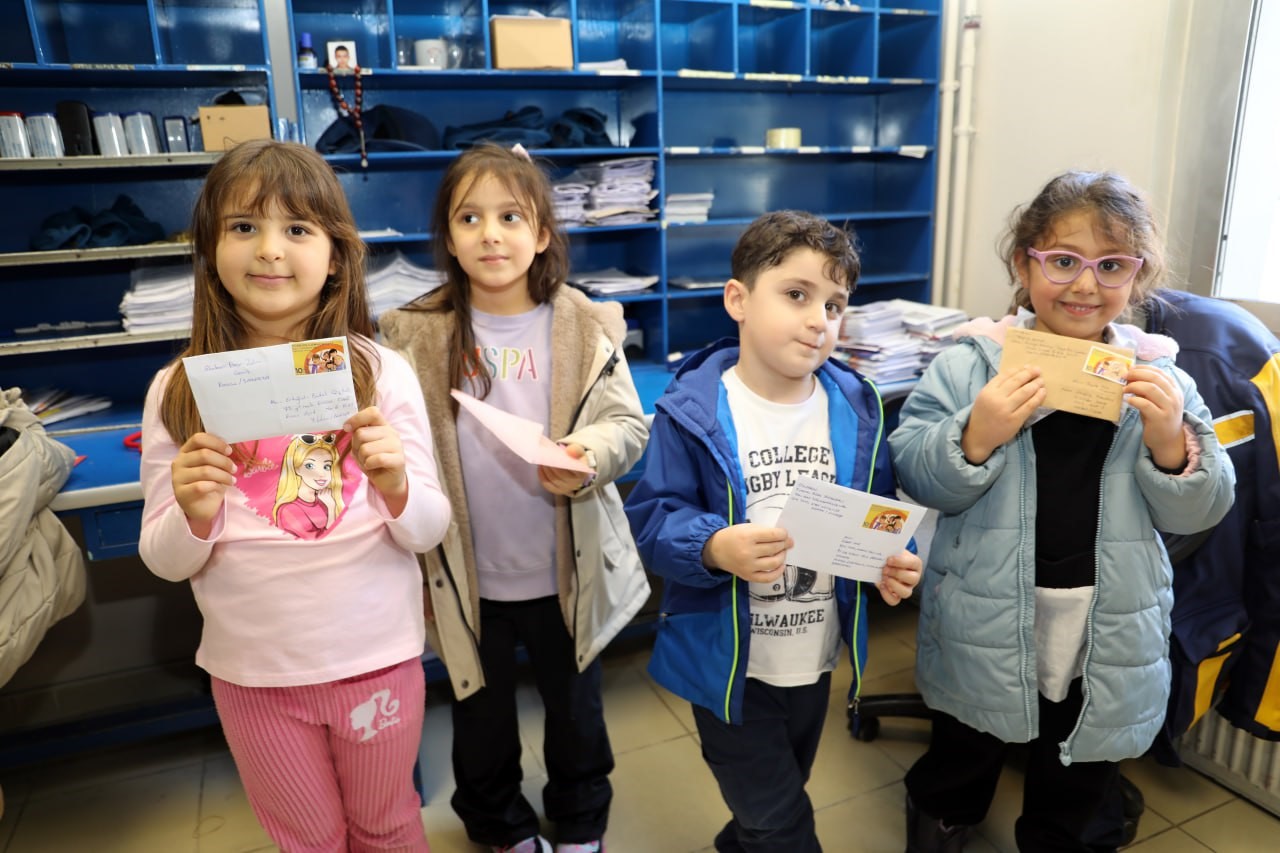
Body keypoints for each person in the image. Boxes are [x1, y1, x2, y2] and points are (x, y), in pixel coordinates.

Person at [888, 170, 1236, 852]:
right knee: (965, 741)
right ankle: (944, 818)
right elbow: (918, 474)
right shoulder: (970, 366)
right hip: (986, 611)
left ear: (1138, 276)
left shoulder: (1159, 376)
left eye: (1111, 266)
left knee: (1080, 763)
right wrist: (976, 433)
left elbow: (1205, 507)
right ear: (1025, 266)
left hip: (1107, 619)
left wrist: (1172, 444)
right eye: (1063, 261)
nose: (1085, 285)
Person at [138, 139, 451, 852]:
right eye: (244, 226)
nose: (270, 249)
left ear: (336, 255)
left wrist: (397, 484)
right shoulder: (178, 389)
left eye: (298, 228)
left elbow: (430, 529)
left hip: (377, 660)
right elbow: (165, 559)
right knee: (305, 838)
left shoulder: (382, 373)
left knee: (388, 825)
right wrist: (194, 513)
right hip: (253, 676)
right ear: (210, 247)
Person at [623, 210, 923, 853]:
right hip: (728, 666)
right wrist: (712, 546)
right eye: (797, 295)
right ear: (739, 300)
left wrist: (897, 558)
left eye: (835, 305)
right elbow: (652, 518)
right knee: (781, 824)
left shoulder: (856, 405)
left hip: (814, 659)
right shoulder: (692, 410)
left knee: (774, 798)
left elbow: (878, 511)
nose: (820, 320)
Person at [379, 143, 650, 853]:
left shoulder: (585, 323)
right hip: (470, 579)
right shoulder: (413, 335)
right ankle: (500, 824)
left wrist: (587, 455)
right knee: (482, 718)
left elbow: (627, 426)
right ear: (447, 237)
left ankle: (582, 819)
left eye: (510, 216)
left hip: (565, 571)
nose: (490, 234)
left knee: (577, 713)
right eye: (469, 218)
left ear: (542, 233)